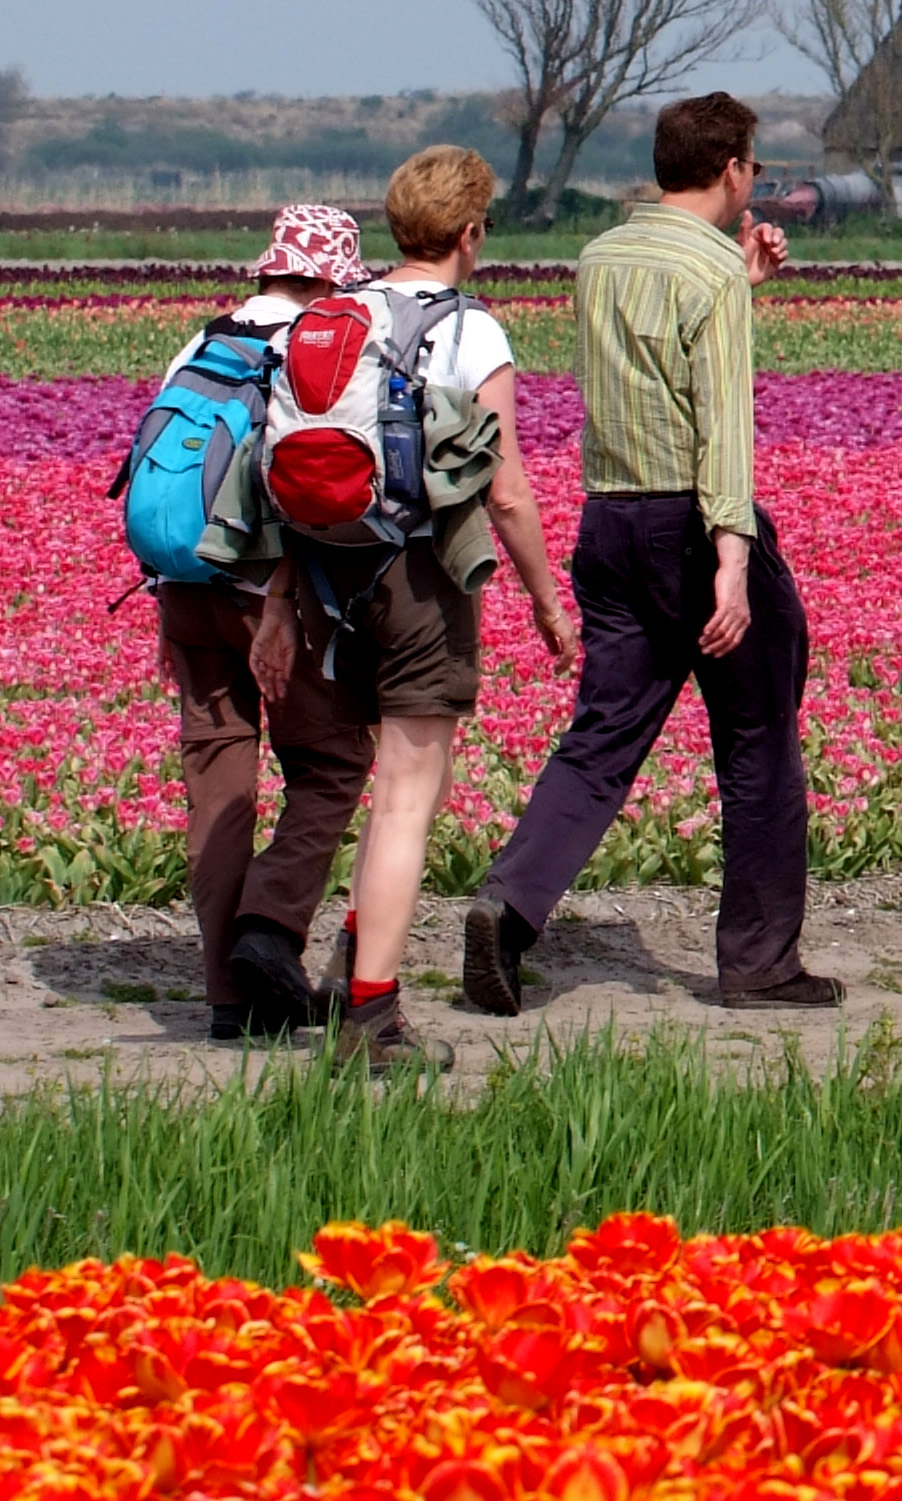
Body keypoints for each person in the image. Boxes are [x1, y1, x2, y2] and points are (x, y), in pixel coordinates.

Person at [465, 92, 832, 1014]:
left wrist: (738, 282)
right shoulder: (708, 274)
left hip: (610, 524)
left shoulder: (603, 255)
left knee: (603, 736)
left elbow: (648, 364)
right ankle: (759, 961)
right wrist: (734, 564)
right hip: (694, 526)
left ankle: (509, 906)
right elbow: (721, 428)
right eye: (755, 167)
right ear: (735, 170)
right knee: (757, 739)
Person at [256, 147, 579, 1071]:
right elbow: (506, 490)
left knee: (399, 786)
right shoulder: (469, 332)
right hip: (418, 578)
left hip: (327, 573)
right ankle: (371, 1019)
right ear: (471, 234)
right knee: (406, 794)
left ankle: (362, 950)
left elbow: (274, 465)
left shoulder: (331, 315)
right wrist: (550, 605)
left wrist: (282, 602)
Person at [147, 205, 378, 1042]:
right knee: (330, 759)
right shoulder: (314, 349)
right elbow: (310, 492)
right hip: (267, 590)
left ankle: (227, 1001)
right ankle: (269, 931)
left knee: (219, 783)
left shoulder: (203, 344)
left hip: (181, 586)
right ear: (331, 277)